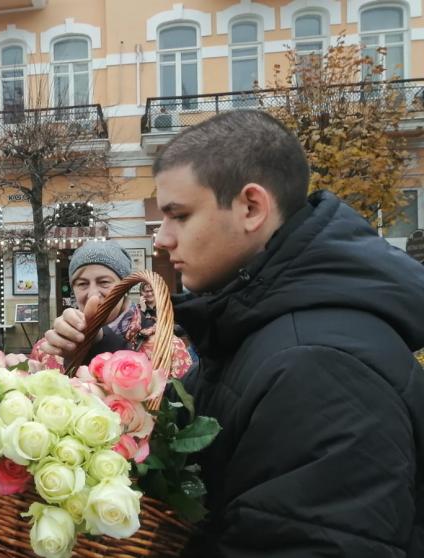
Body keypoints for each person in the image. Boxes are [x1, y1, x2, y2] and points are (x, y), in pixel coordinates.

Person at [149, 110, 423, 555]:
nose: (162, 238)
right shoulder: (251, 323)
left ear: (251, 207)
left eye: (178, 215)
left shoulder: (318, 366)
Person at [40, 239, 132, 362]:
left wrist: (98, 339)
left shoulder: (156, 336)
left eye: (104, 282)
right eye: (82, 284)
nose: (93, 295)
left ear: (125, 287)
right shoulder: (58, 341)